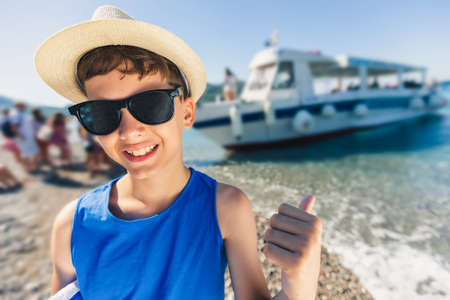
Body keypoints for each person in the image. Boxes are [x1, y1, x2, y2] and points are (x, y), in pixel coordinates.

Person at [35, 5, 322, 300]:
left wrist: (300, 282)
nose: (129, 130)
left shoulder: (226, 207)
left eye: (150, 105)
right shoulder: (71, 225)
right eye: (101, 113)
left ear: (186, 112)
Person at [9, 102, 39, 172]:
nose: (25, 108)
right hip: (23, 138)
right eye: (24, 106)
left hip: (27, 137)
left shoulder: (20, 113)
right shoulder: (15, 114)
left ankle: (31, 167)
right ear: (19, 106)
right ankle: (29, 168)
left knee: (31, 152)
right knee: (25, 154)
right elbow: (13, 126)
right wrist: (21, 136)